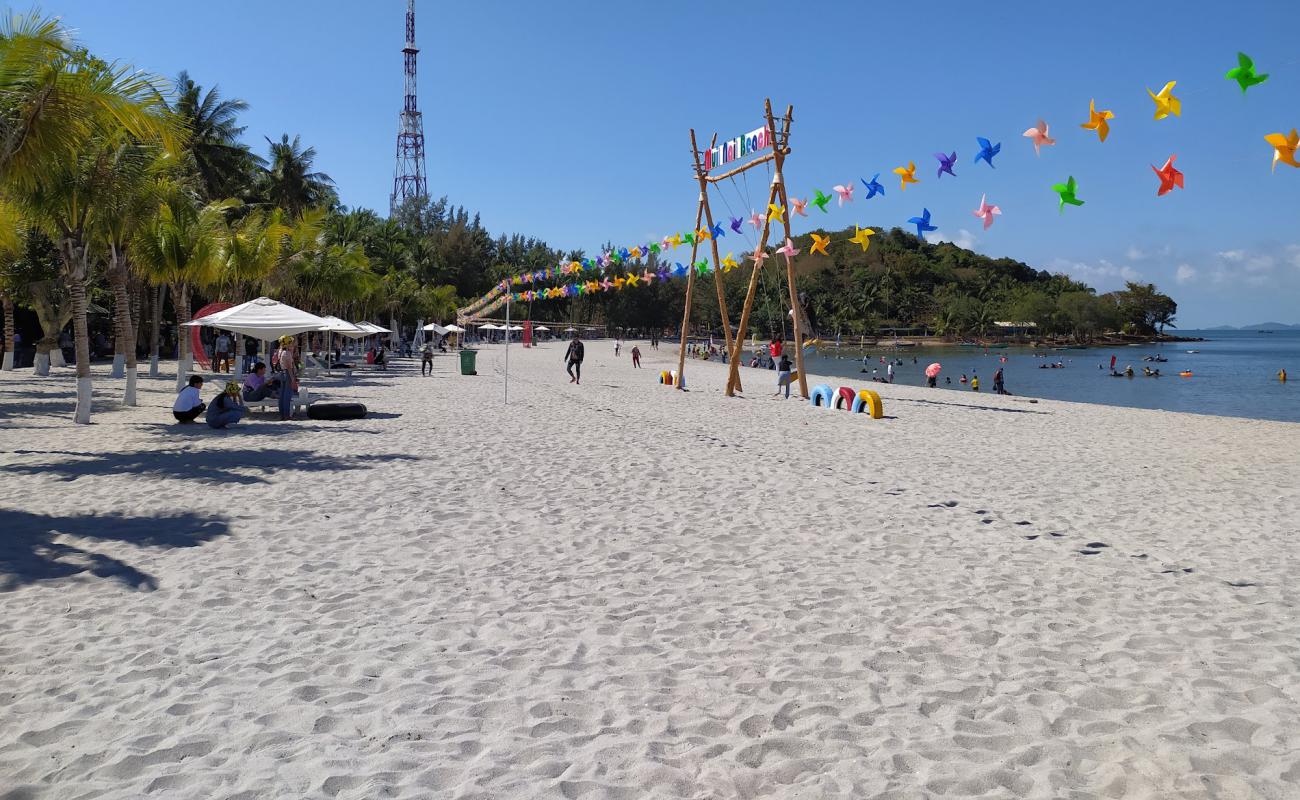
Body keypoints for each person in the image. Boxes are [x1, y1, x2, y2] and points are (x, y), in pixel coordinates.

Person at [275, 336, 298, 420]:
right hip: (287, 373)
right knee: (287, 396)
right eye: (290, 343)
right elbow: (289, 367)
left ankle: (282, 414)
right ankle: (286, 415)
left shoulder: (280, 351)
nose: (292, 344)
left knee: (282, 395)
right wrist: (293, 379)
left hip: (282, 373)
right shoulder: (287, 353)